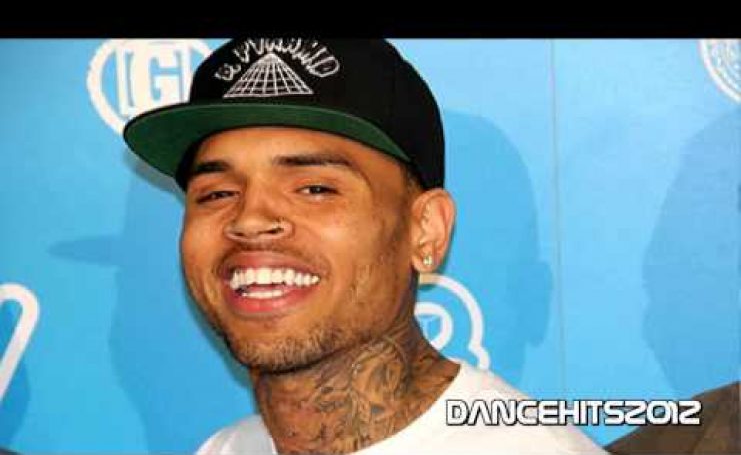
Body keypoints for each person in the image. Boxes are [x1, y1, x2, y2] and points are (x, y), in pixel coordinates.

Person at [123, 38, 605, 454]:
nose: (250, 219)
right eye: (217, 194)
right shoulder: (228, 447)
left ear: (426, 230)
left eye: (315, 188)